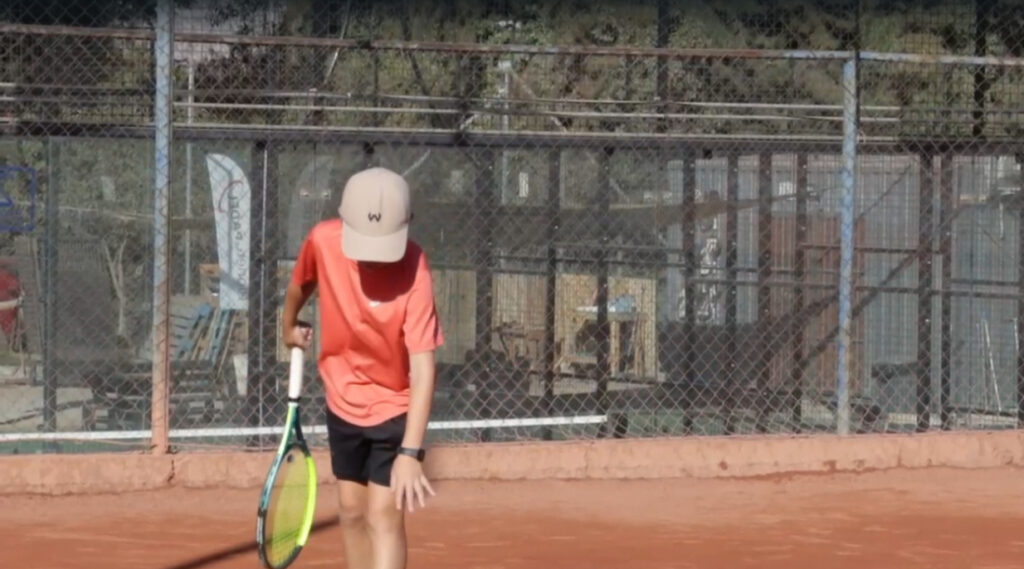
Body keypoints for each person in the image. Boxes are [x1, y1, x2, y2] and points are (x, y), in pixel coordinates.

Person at [282, 166, 444, 569]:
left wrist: (411, 450)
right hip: (342, 402)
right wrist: (287, 325)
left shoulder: (416, 268)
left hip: (393, 407)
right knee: (352, 511)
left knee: (383, 516)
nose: (373, 259)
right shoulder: (323, 239)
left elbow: (423, 368)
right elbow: (300, 283)